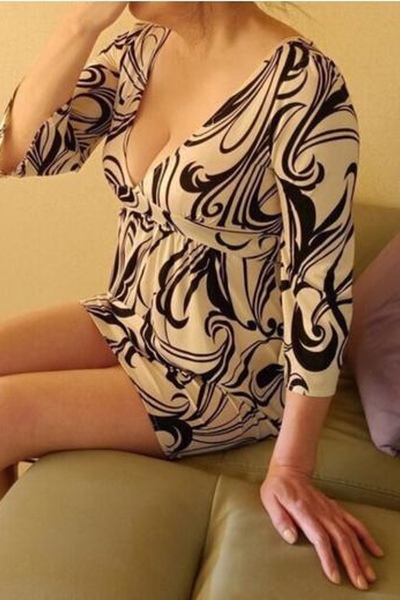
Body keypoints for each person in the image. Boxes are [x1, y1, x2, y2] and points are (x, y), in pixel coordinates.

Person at [0, 1, 385, 591]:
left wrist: (291, 465)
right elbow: (17, 152)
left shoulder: (304, 85)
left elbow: (321, 284)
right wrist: (78, 25)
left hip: (221, 372)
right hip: (129, 317)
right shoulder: (140, 50)